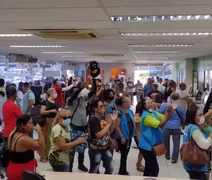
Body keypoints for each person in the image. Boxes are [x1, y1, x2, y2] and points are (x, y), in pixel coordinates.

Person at [138, 97, 173, 177]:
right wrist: (168, 112)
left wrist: (171, 110)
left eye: (152, 101)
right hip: (146, 146)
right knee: (154, 169)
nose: (153, 103)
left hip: (151, 144)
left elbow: (165, 117)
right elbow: (160, 124)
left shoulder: (152, 112)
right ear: (146, 106)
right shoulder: (146, 116)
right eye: (150, 102)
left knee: (148, 167)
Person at [7, 114, 45, 180]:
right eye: (30, 123)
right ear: (22, 125)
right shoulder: (23, 139)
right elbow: (42, 148)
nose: (32, 125)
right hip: (21, 171)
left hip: (12, 167)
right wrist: (39, 131)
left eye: (32, 122)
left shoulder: (13, 133)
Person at [183, 104, 212, 180]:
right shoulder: (194, 129)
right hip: (196, 165)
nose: (202, 117)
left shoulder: (189, 126)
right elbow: (205, 144)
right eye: (200, 115)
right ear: (193, 118)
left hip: (191, 164)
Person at [88, 100, 117, 174]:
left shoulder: (103, 117)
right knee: (94, 170)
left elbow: (109, 131)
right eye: (101, 106)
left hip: (105, 148)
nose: (104, 107)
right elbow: (99, 135)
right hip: (96, 149)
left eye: (104, 106)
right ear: (95, 108)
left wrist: (113, 122)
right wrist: (109, 124)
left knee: (110, 168)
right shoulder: (93, 119)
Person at [158, 92, 186, 163]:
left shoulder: (164, 105)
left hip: (166, 126)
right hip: (176, 127)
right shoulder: (180, 107)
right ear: (178, 98)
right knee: (176, 143)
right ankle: (174, 158)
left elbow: (159, 114)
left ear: (170, 98)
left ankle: (167, 155)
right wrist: (183, 125)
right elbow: (183, 118)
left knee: (166, 141)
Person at [115, 97, 135, 175]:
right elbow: (117, 126)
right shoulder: (119, 113)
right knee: (124, 154)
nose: (129, 103)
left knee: (125, 153)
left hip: (129, 136)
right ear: (123, 104)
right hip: (122, 137)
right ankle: (122, 171)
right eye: (127, 102)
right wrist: (121, 136)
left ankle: (122, 169)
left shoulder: (130, 112)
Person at [40, 88, 58, 163]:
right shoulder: (45, 102)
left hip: (54, 121)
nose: (55, 93)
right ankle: (43, 155)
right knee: (46, 138)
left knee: (52, 139)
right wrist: (51, 111)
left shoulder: (55, 102)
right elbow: (42, 112)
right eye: (54, 92)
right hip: (47, 122)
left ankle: (50, 154)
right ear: (50, 93)